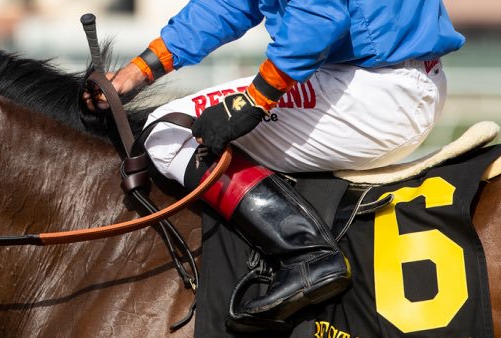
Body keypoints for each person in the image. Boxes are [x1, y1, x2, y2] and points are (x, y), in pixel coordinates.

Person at [84, 0, 464, 331]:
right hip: (374, 78)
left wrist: (256, 99)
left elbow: (318, 14)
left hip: (376, 88)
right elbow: (230, 4)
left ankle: (308, 254)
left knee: (167, 134)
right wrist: (138, 70)